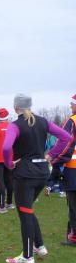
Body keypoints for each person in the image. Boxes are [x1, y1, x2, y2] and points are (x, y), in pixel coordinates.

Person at [1, 94, 70, 263]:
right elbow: (66, 137)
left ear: (16, 107)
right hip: (42, 173)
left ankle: (27, 257)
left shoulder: (15, 125)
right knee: (27, 209)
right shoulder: (43, 121)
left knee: (24, 213)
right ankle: (39, 246)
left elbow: (6, 147)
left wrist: (9, 163)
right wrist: (51, 155)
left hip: (25, 174)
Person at [52, 94, 76, 246]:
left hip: (73, 169)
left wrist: (55, 161)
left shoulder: (72, 120)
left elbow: (65, 142)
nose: (70, 106)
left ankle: (74, 237)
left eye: (72, 103)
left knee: (73, 205)